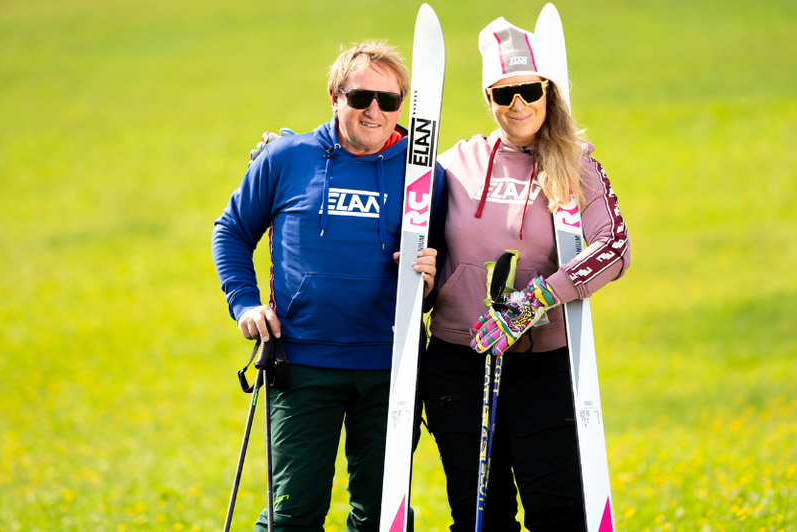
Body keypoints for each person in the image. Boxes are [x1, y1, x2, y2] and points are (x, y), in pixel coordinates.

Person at [212, 40, 445, 532]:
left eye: (389, 100)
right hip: (301, 364)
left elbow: (447, 267)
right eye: (361, 97)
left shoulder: (425, 174)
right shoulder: (285, 157)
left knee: (382, 518)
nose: (374, 110)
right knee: (292, 514)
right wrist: (245, 304)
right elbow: (231, 231)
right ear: (335, 97)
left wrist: (429, 279)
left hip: (390, 368)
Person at [418, 9, 630, 532]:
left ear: (548, 91)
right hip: (458, 360)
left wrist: (534, 301)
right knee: (478, 517)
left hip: (541, 364)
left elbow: (614, 247)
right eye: (502, 93)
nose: (517, 105)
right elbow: (398, 213)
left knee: (556, 510)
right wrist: (289, 154)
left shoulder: (576, 165)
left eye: (529, 91)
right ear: (488, 98)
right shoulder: (454, 163)